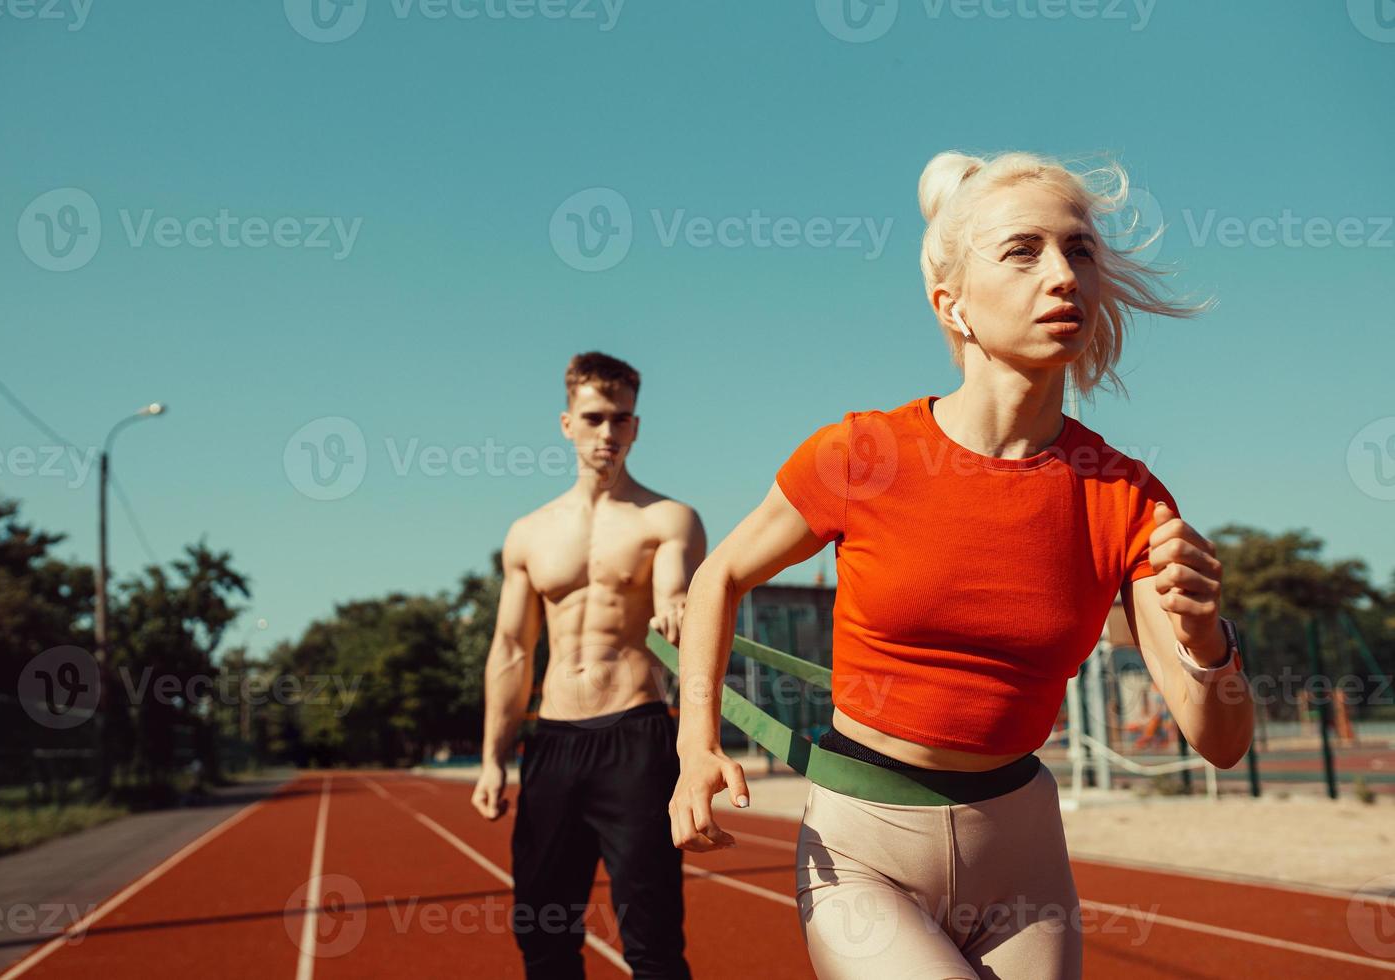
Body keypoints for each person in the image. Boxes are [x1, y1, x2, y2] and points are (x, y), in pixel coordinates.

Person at [667, 150, 1254, 979]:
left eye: (1079, 250)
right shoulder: (863, 454)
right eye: (1023, 251)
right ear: (953, 305)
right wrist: (697, 745)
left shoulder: (1128, 497)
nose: (1064, 275)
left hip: (1022, 861)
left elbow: (1220, 740)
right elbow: (716, 577)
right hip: (863, 848)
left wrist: (1208, 637)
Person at [473, 351, 705, 979]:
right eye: (595, 417)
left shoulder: (668, 519)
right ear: (567, 423)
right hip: (552, 746)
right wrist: (494, 755)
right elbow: (512, 649)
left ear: (636, 427)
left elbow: (673, 590)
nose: (608, 433)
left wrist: (675, 608)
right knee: (542, 933)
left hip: (635, 736)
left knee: (652, 942)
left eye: (622, 419)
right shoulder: (528, 533)